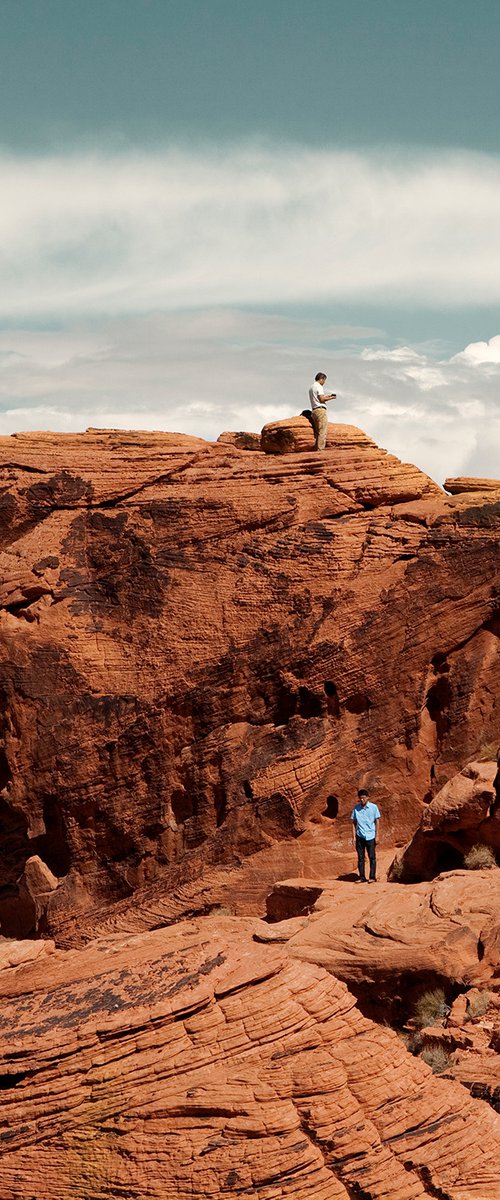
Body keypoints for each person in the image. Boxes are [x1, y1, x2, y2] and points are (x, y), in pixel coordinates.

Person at [351, 788, 380, 882]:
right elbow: (353, 822)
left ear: (368, 797)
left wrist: (377, 835)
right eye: (360, 798)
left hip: (371, 835)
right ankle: (362, 877)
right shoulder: (356, 808)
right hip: (360, 835)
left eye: (364, 798)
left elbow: (377, 821)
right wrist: (354, 837)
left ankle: (372, 877)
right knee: (360, 858)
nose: (362, 800)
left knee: (372, 857)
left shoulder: (373, 807)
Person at [308, 372, 336, 451]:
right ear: (321, 379)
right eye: (324, 380)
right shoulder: (319, 386)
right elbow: (321, 399)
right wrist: (331, 398)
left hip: (314, 410)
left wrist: (327, 396)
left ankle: (316, 449)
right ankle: (320, 450)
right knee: (322, 431)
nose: (324, 382)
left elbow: (318, 398)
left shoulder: (311, 387)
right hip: (320, 410)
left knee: (317, 432)